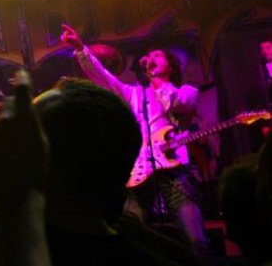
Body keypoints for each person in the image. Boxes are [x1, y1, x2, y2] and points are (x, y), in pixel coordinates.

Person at [60, 24, 207, 252]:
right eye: (148, 57)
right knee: (133, 236)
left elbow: (174, 103)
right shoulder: (135, 94)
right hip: (139, 169)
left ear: (170, 66)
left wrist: (154, 78)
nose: (151, 58)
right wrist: (81, 49)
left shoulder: (188, 92)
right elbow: (103, 77)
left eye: (157, 56)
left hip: (173, 168)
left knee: (195, 239)